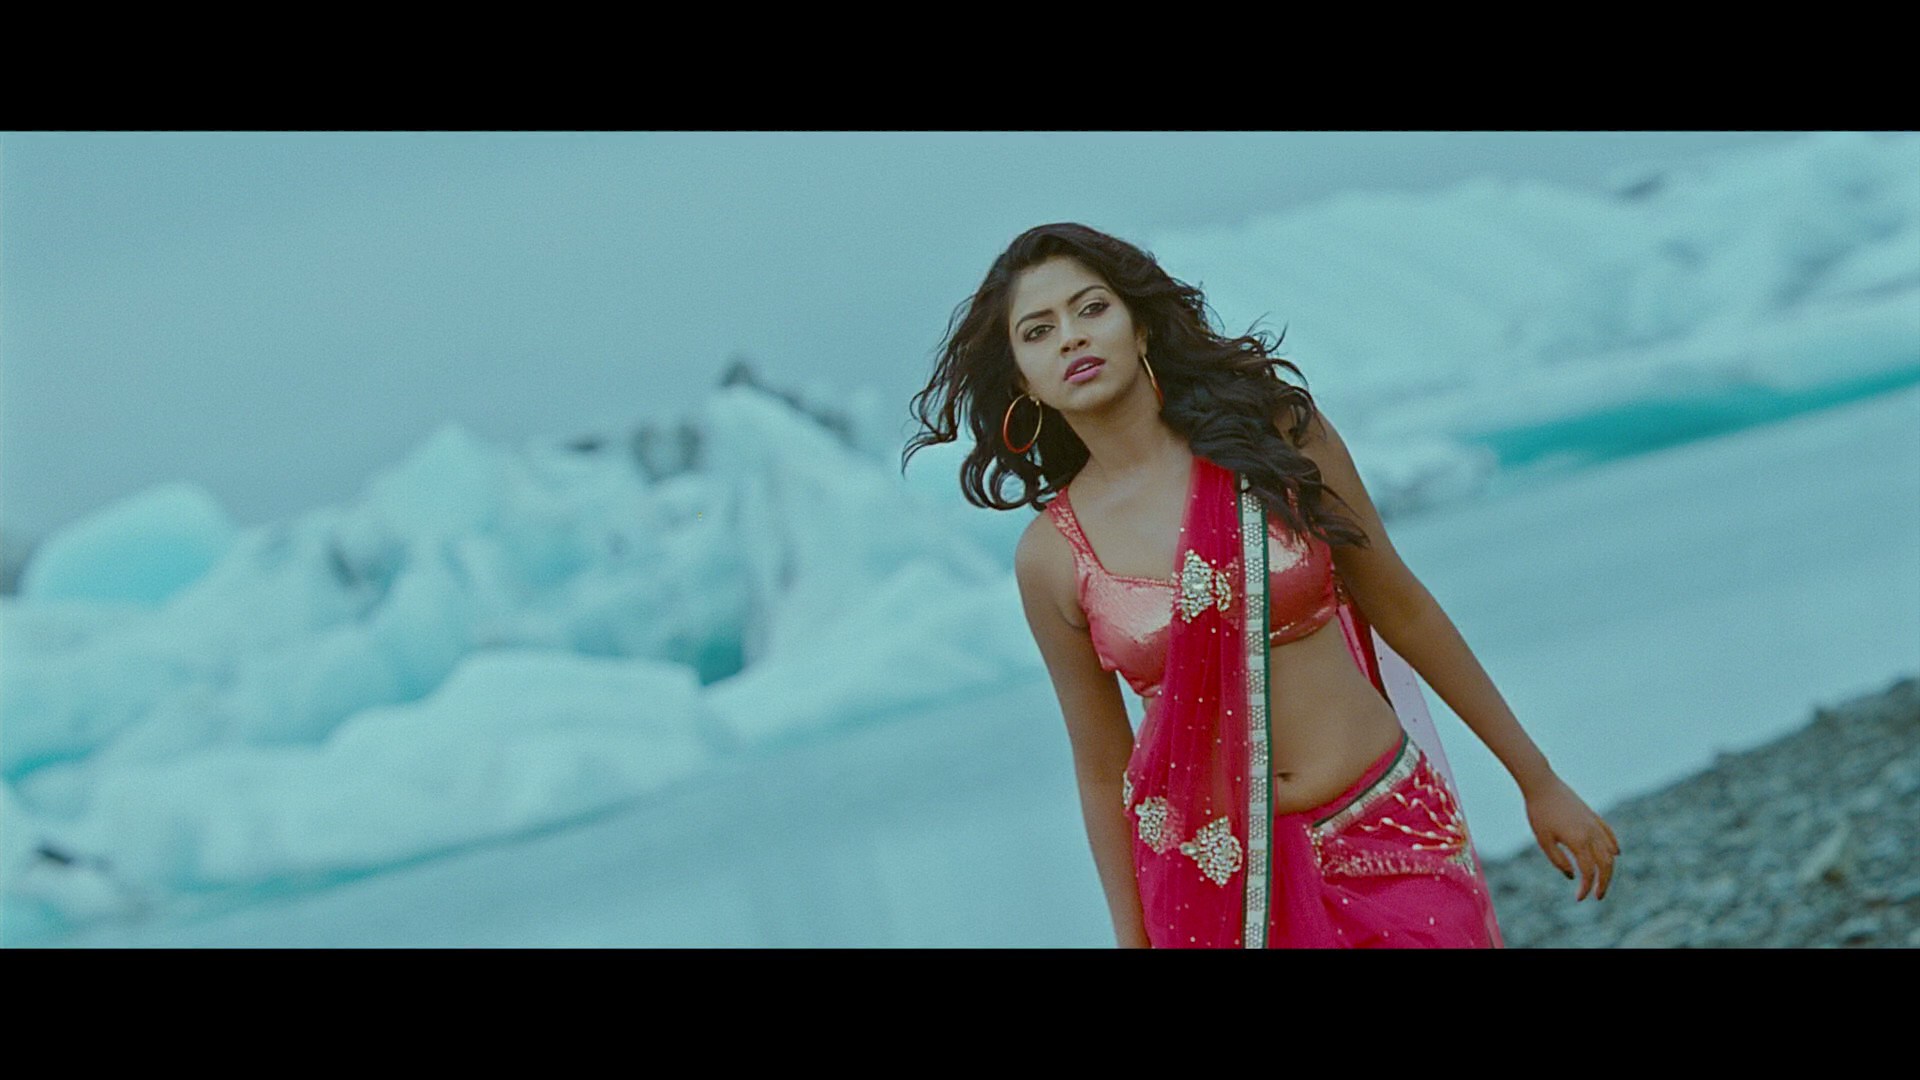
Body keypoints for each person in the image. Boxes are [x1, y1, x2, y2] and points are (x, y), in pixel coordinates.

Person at [904, 223, 1620, 948]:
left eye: (1092, 309)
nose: (1071, 338)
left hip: (1388, 828)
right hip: (1214, 886)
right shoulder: (1052, 557)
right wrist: (1133, 940)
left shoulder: (1272, 438)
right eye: (1038, 331)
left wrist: (1537, 779)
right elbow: (1101, 767)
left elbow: (1400, 604)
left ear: (1141, 326)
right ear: (1021, 380)